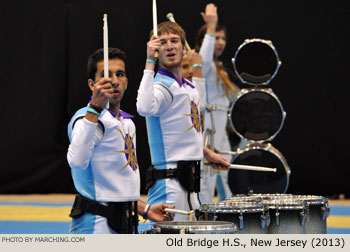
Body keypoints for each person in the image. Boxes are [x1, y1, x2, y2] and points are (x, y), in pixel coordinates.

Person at [67, 47, 174, 234]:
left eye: (120, 74)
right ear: (92, 84)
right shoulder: (87, 119)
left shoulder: (127, 123)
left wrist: (145, 209)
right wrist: (94, 108)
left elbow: (117, 186)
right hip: (96, 226)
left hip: (124, 223)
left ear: (126, 81)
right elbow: (77, 161)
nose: (114, 81)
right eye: (106, 75)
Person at [136, 21, 230, 221]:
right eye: (162, 42)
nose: (169, 45)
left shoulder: (188, 88)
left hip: (191, 185)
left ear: (183, 46)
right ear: (155, 50)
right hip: (169, 186)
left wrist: (206, 154)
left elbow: (186, 134)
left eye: (174, 40)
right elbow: (144, 108)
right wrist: (148, 63)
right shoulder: (162, 86)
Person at [195, 3, 241, 204]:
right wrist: (211, 26)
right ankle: (200, 226)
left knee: (226, 179)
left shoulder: (219, 66)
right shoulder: (200, 64)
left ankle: (228, 224)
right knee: (206, 181)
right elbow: (202, 58)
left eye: (223, 38)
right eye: (216, 37)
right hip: (209, 130)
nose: (220, 42)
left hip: (221, 131)